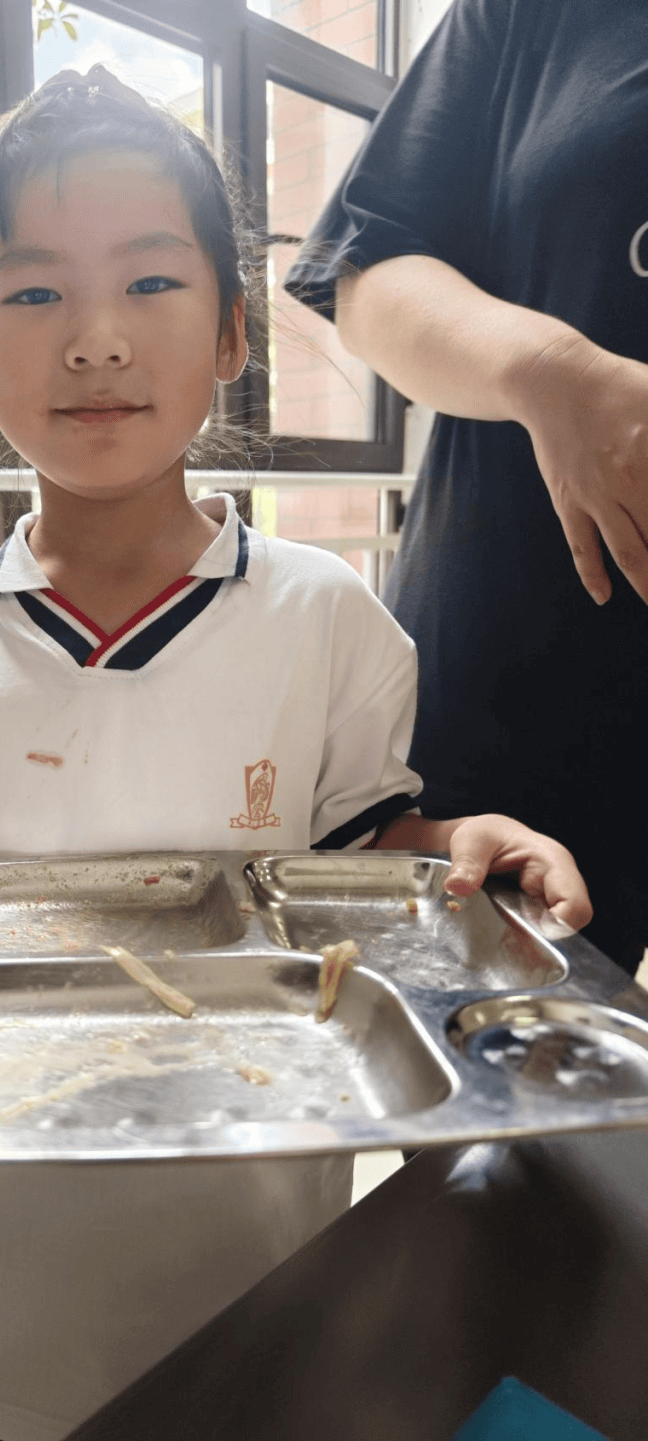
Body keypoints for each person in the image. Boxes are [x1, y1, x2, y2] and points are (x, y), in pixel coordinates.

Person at [0, 68, 590, 1441]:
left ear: (227, 334)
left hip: (270, 1285)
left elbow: (369, 857)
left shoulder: (326, 615)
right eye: (32, 293)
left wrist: (467, 850)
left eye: (151, 283)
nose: (94, 339)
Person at [284, 0, 648, 975]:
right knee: (494, 1092)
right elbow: (365, 270)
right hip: (520, 680)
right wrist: (554, 371)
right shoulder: (530, 12)